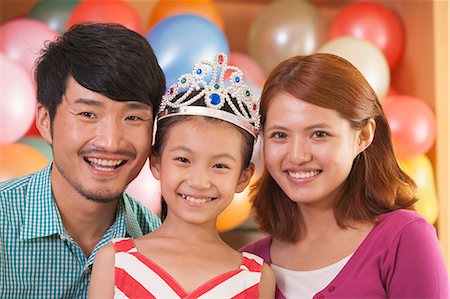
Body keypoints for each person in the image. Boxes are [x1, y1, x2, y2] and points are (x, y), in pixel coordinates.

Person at [240, 53, 449, 298]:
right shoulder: (246, 265)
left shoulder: (404, 238)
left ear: (363, 136)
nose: (297, 156)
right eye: (279, 135)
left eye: (319, 134)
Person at [89, 53, 276, 298]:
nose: (199, 181)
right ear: (156, 162)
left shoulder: (256, 279)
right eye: (183, 160)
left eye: (219, 166)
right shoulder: (115, 261)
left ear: (243, 177)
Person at [0, 23, 166, 298]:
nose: (111, 142)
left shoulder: (158, 242)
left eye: (133, 117)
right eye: (88, 114)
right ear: (44, 120)